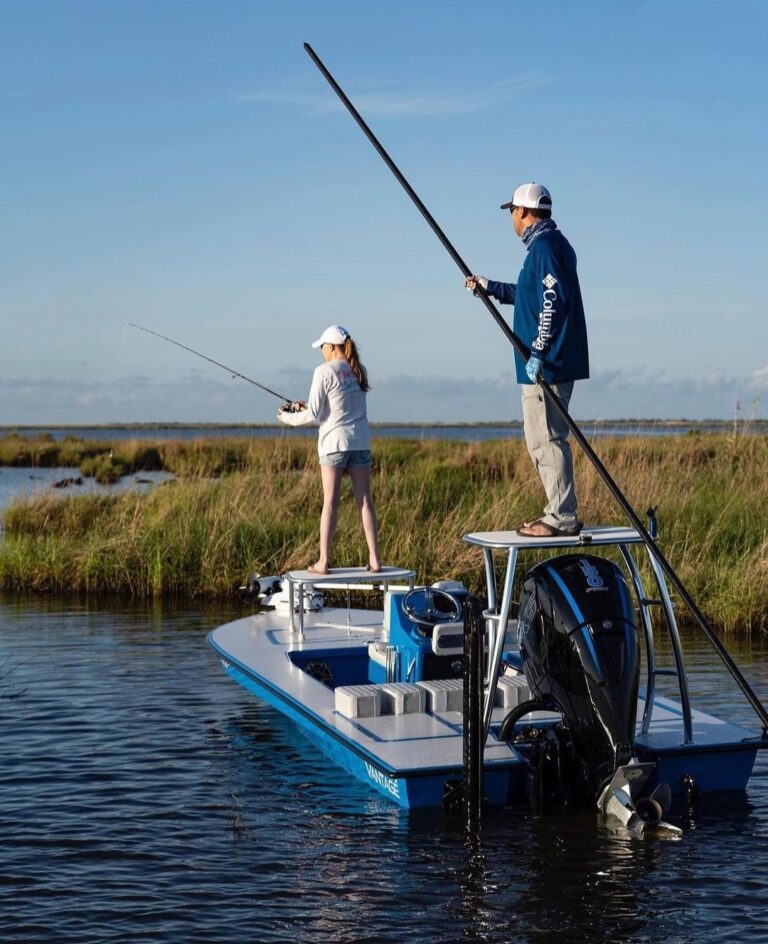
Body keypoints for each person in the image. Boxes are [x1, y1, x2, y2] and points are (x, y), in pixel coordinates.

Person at [465, 182, 589, 537]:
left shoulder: (546, 248)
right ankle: (557, 511)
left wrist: (538, 351)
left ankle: (561, 517)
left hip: (546, 365)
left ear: (521, 212)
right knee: (542, 437)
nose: (512, 220)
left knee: (546, 439)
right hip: (549, 361)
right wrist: (490, 288)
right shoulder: (549, 246)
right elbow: (530, 295)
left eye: (512, 213)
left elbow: (551, 301)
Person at [277, 324, 381, 574]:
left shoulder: (323, 371)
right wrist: (304, 406)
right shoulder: (359, 370)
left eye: (323, 347)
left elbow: (315, 414)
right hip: (360, 442)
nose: (322, 351)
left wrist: (287, 417)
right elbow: (332, 408)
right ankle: (375, 560)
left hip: (334, 444)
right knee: (364, 501)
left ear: (332, 347)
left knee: (330, 502)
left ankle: (323, 561)